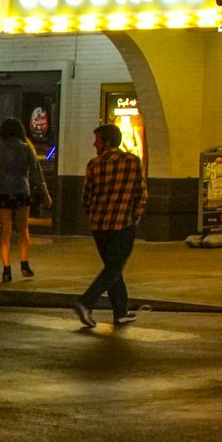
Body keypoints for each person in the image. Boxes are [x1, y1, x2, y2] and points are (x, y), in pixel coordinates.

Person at [73, 122, 145, 329]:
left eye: (97, 140)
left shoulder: (93, 164)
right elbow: (141, 193)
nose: (95, 144)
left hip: (99, 226)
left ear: (107, 142)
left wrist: (93, 215)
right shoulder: (133, 161)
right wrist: (135, 216)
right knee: (114, 268)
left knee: (113, 268)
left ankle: (121, 312)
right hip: (123, 223)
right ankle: (85, 302)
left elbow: (86, 196)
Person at [0, 117, 46, 282]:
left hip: (2, 192)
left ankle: (6, 269)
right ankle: (24, 264)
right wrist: (45, 192)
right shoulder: (26, 148)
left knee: (5, 232)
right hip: (22, 190)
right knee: (23, 229)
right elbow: (36, 172)